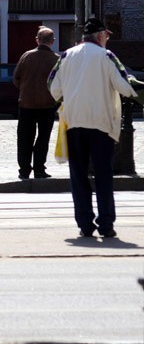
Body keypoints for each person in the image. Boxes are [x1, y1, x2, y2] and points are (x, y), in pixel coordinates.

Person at [48, 18, 138, 238]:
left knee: (78, 176)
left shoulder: (66, 56)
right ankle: (106, 224)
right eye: (106, 35)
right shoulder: (107, 56)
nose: (107, 39)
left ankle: (85, 224)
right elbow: (125, 87)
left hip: (74, 123)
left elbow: (53, 87)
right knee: (103, 176)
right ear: (100, 36)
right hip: (101, 125)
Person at [13, 26, 60, 179]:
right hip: (47, 105)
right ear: (52, 41)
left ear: (37, 40)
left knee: (25, 138)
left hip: (26, 104)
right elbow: (60, 83)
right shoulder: (56, 59)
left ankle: (24, 170)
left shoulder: (26, 56)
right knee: (43, 138)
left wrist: (25, 90)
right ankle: (39, 169)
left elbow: (16, 78)